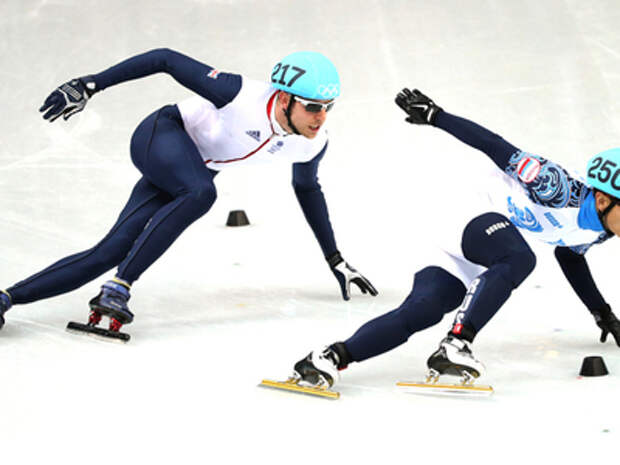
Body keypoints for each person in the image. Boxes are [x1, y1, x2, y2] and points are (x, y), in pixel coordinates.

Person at [0, 49, 377, 335]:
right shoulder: (238, 93)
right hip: (161, 135)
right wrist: (90, 84)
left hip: (189, 172)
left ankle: (8, 297)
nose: (321, 117)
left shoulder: (312, 142)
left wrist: (335, 259)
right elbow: (165, 58)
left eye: (329, 108)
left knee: (111, 250)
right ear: (284, 98)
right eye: (313, 107)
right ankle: (120, 287)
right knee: (202, 193)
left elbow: (308, 189)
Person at [289, 88, 620, 390]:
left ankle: (327, 357)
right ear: (604, 200)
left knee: (422, 310)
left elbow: (571, 256)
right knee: (520, 258)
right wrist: (436, 116)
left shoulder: (600, 229)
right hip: (470, 209)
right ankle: (457, 344)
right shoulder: (557, 187)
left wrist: (602, 313)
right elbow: (496, 146)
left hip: (473, 246)